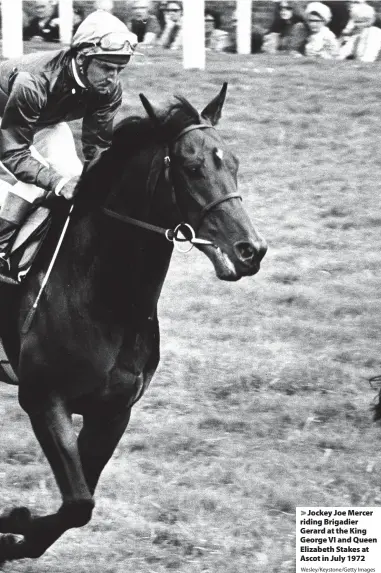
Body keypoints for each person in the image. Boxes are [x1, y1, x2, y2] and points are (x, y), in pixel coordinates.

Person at [0, 10, 138, 280]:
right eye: (107, 68)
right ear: (83, 57)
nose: (113, 78)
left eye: (120, 69)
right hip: (8, 121)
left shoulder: (109, 90)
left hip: (42, 120)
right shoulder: (33, 82)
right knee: (42, 180)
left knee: (76, 178)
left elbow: (97, 149)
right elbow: (14, 153)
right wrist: (57, 183)